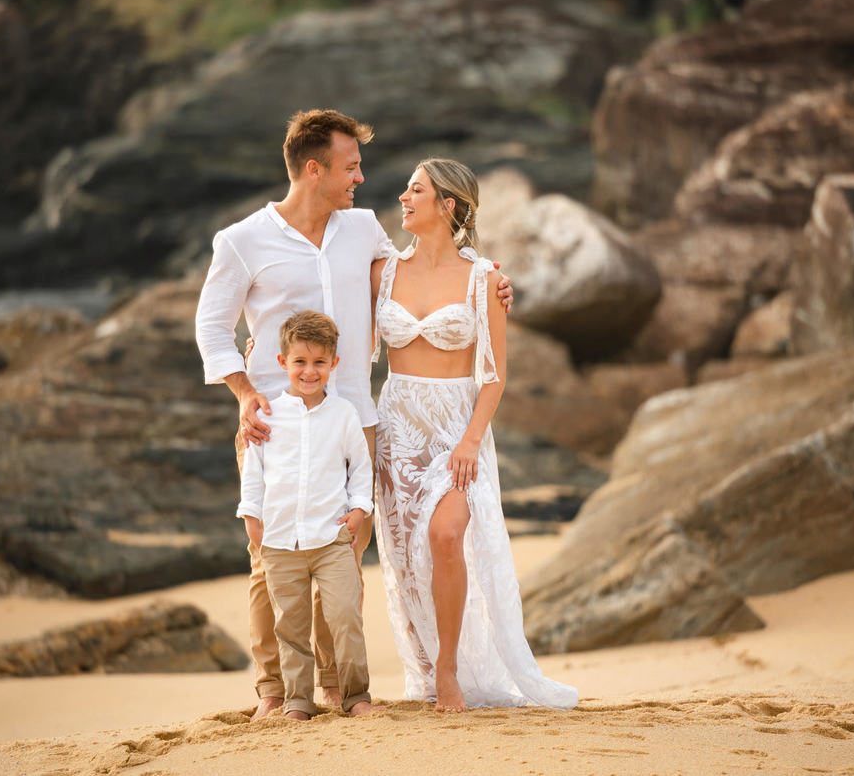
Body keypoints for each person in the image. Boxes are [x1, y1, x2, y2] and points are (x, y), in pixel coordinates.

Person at [195, 109, 512, 719]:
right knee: (271, 559)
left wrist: (491, 285)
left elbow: (418, 277)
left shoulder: (364, 229)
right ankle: (273, 691)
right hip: (273, 423)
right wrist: (242, 393)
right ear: (314, 171)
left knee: (344, 552)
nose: (362, 179)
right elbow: (212, 327)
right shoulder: (241, 241)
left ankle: (339, 687)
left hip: (358, 417)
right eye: (351, 166)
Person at [371, 158, 578, 712]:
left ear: (448, 206)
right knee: (407, 557)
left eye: (415, 190)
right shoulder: (382, 272)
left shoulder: (485, 279)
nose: (403, 199)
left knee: (445, 535)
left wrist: (468, 441)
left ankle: (448, 674)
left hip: (456, 429)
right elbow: (343, 347)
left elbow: (493, 375)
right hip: (397, 431)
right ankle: (424, 664)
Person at [237, 311, 378, 720]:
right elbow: (254, 471)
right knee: (290, 627)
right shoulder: (266, 416)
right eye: (300, 362)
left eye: (319, 362)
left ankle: (356, 696)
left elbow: (361, 468)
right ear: (283, 363)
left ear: (334, 364)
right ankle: (297, 701)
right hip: (280, 540)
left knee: (345, 617)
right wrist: (251, 515)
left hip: (332, 539)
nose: (309, 371)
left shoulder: (344, 415)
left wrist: (359, 509)